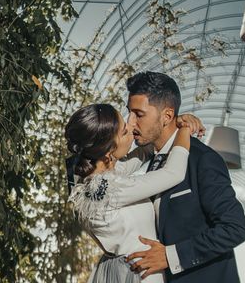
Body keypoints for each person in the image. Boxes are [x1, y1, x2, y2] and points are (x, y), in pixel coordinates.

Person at [124, 71, 245, 282]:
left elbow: (234, 228)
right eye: (129, 113)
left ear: (167, 116)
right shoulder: (154, 162)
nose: (131, 122)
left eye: (139, 114)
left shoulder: (202, 159)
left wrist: (170, 256)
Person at [65, 103, 205, 283]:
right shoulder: (112, 189)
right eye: (124, 131)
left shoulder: (91, 182)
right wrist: (185, 129)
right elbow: (173, 173)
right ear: (109, 151)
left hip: (118, 270)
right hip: (139, 273)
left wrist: (162, 124)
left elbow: (141, 154)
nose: (131, 128)